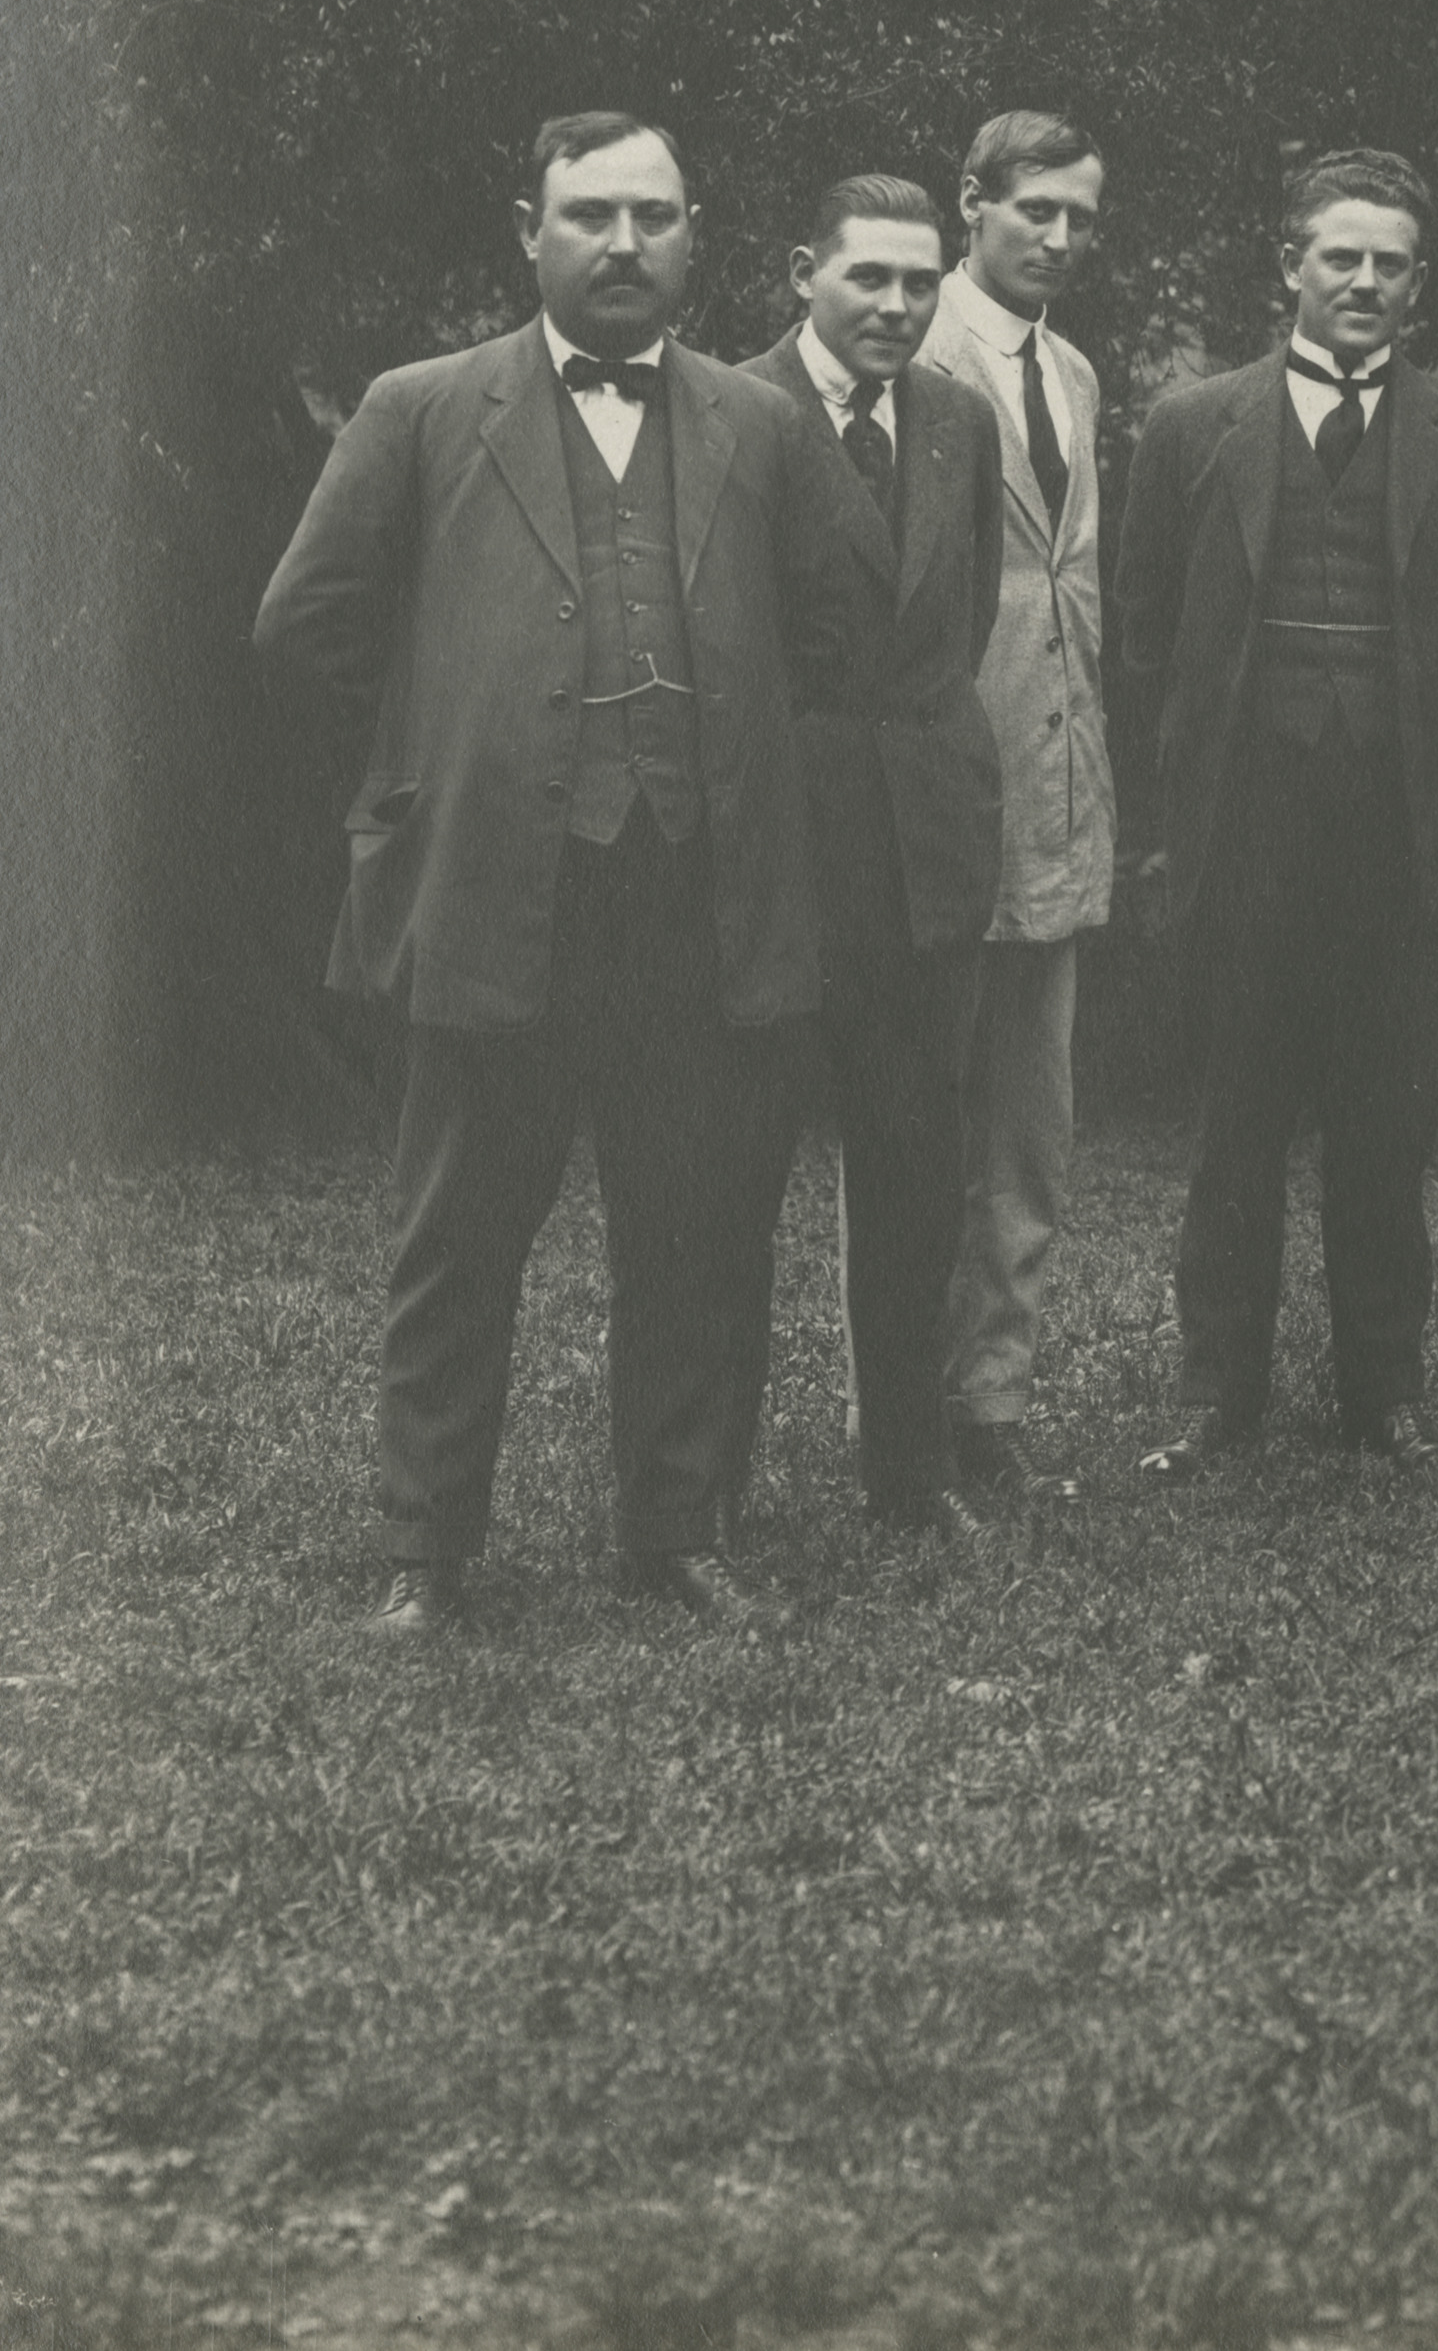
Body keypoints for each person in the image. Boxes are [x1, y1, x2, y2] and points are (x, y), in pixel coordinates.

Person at [254, 112, 855, 1631]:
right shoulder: (420, 407)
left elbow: (836, 631)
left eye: (653, 214)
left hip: (693, 900)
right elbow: (305, 623)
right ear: (527, 231)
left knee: (698, 1226)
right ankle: (425, 1550)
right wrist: (439, 747)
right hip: (490, 898)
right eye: (589, 214)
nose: (623, 243)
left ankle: (677, 1527)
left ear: (696, 233)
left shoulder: (761, 424)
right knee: (457, 1232)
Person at [1117, 149, 1438, 1476]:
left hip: (1402, 845)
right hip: (1248, 837)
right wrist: (1167, 824)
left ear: (1418, 282)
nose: (1362, 281)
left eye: (1389, 262)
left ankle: (1385, 1390)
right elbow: (1144, 640)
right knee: (1234, 1125)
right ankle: (1210, 1393)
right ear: (1287, 261)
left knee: (1387, 1129)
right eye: (1338, 255)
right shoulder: (1190, 426)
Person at [738, 175, 1009, 1537]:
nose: (899, 306)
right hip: (780, 850)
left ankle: (911, 1471)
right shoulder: (732, 409)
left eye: (919, 281)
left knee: (915, 1166)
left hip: (925, 850)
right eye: (869, 279)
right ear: (803, 271)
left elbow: (952, 627)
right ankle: (696, 1488)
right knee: (729, 1171)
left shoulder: (960, 419)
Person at [916, 109, 1114, 1505]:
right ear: (970, 203)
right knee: (916, 1121)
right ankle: (902, 1413)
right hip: (932, 794)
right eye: (1032, 209)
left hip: (1056, 791)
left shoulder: (1084, 375)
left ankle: (994, 1403)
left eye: (1079, 218)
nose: (1055, 237)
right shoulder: (905, 352)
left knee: (1028, 1130)